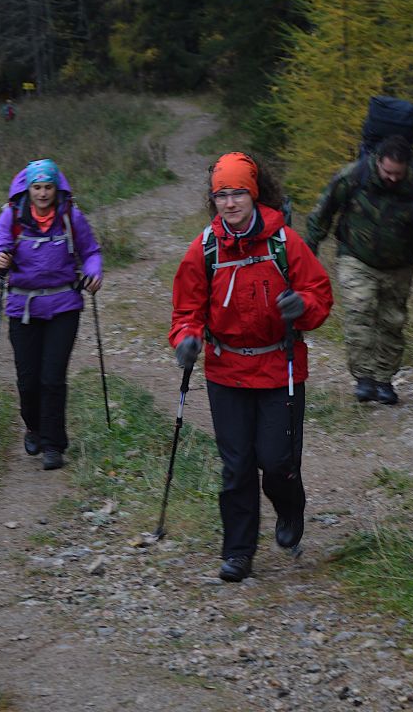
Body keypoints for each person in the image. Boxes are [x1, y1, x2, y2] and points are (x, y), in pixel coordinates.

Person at [170, 152, 333, 582]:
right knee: (237, 465)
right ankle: (238, 552)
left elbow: (319, 294)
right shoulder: (204, 248)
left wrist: (302, 307)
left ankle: (290, 505)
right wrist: (186, 339)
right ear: (214, 200)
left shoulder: (284, 243)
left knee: (277, 462)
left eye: (237, 192)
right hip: (226, 372)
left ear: (253, 193)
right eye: (221, 195)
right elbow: (187, 310)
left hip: (281, 367)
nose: (230, 202)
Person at [305, 134, 413, 406]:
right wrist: (310, 245)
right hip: (355, 257)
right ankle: (364, 378)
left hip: (400, 264)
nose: (393, 178)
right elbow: (325, 209)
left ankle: (384, 381)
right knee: (360, 312)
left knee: (392, 323)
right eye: (387, 172)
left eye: (398, 173)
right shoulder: (353, 176)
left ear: (407, 166)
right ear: (377, 161)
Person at [0, 159, 102, 470]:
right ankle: (34, 427)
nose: (42, 193)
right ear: (28, 188)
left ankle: (54, 445)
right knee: (28, 381)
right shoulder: (12, 216)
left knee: (52, 378)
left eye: (48, 187)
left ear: (56, 187)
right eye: (37, 187)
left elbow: (90, 251)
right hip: (22, 308)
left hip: (64, 305)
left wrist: (93, 273)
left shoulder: (69, 215)